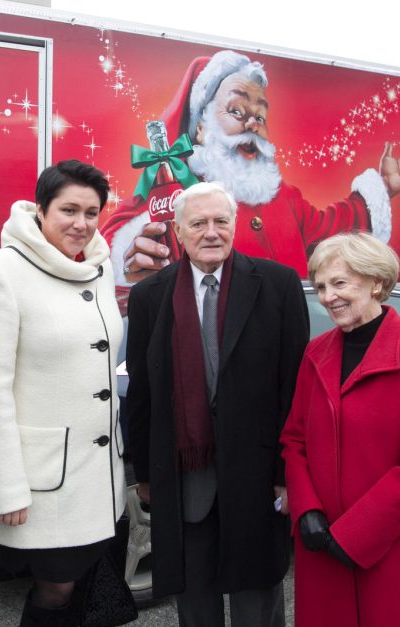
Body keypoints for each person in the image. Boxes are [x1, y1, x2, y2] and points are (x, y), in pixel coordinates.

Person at [126, 181, 309, 626]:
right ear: (179, 231)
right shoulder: (150, 297)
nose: (211, 232)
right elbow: (143, 392)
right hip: (186, 480)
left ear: (235, 225)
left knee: (256, 603)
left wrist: (288, 473)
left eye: (220, 221)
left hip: (258, 477)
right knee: (195, 601)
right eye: (199, 223)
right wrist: (145, 474)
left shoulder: (279, 286)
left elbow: (295, 389)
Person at [103, 50, 400, 291]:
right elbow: (119, 234)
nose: (252, 125)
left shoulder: (283, 197)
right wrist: (130, 263)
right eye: (237, 110)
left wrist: (384, 187)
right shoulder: (180, 194)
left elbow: (333, 227)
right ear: (201, 127)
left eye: (260, 116)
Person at [0, 160, 127, 626]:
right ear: (40, 210)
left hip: (96, 479)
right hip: (40, 483)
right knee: (54, 590)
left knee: (82, 587)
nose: (81, 224)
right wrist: (4, 488)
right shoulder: (2, 271)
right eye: (68, 210)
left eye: (92, 212)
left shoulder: (98, 268)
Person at [280, 232, 400, 626]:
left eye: (339, 283)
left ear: (376, 282)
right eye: (321, 286)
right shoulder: (316, 352)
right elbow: (295, 440)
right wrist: (306, 511)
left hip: (390, 544)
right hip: (321, 543)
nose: (328, 297)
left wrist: (356, 535)